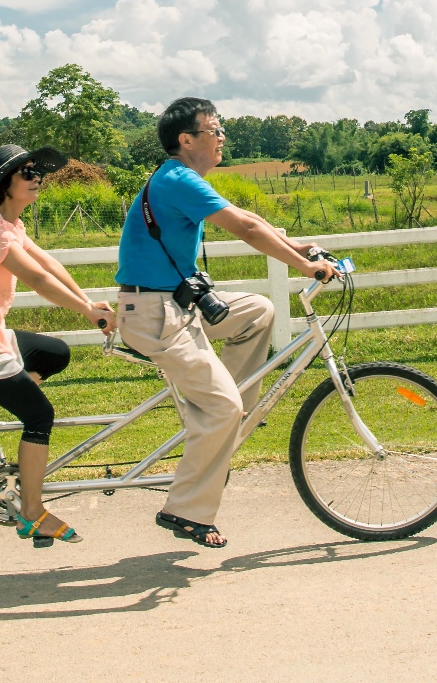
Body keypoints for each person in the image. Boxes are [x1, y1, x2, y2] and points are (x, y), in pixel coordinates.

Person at [115, 97, 337, 549]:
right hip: (156, 316)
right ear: (187, 139)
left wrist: (296, 245)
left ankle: (224, 435)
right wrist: (305, 267)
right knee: (221, 408)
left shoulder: (182, 178)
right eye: (215, 130)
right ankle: (185, 510)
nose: (221, 139)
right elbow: (246, 230)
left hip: (172, 308)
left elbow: (250, 218)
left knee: (257, 311)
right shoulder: (177, 178)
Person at [0, 143, 115, 547]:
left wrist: (88, 302)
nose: (37, 178)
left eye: (37, 172)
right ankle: (32, 514)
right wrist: (88, 313)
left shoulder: (9, 226)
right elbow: (37, 280)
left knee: (54, 353)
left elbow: (50, 264)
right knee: (38, 415)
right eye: (27, 172)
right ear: (4, 184)